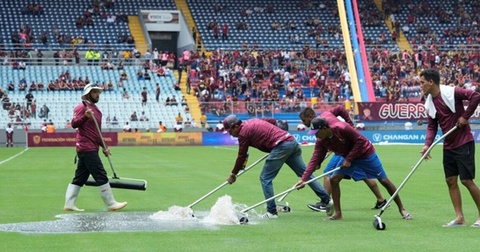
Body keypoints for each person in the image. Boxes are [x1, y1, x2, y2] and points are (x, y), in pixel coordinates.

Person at [297, 116, 412, 221]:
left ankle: (402, 209)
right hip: (348, 157)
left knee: (384, 180)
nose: (316, 136)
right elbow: (314, 159)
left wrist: (349, 159)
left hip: (366, 154)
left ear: (324, 128)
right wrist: (304, 179)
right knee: (334, 179)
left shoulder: (342, 128)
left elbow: (360, 141)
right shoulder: (321, 141)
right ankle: (338, 214)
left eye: (317, 133)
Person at [223, 114, 332, 218]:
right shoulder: (252, 121)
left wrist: (233, 174)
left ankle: (271, 211)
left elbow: (241, 156)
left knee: (265, 178)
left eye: (230, 131)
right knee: (305, 173)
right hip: (290, 141)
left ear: (236, 126)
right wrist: (273, 138)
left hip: (281, 145)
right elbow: (273, 121)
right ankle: (327, 200)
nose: (230, 134)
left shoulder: (243, 133)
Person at [419, 69, 480, 227]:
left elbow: (475, 96)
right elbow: (432, 126)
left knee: (466, 180)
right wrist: (427, 145)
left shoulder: (451, 92)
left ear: (431, 82)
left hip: (463, 141)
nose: (421, 86)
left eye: (422, 82)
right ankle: (459, 218)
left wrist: (465, 117)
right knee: (450, 180)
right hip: (449, 145)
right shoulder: (430, 102)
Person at [299, 107, 387, 212]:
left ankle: (325, 202)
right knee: (362, 174)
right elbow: (319, 151)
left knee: (329, 173)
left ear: (310, 117)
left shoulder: (327, 125)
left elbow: (341, 111)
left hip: (347, 151)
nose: (303, 123)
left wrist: (350, 124)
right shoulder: (323, 120)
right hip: (348, 151)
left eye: (304, 120)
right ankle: (381, 200)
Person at [64, 83, 127, 212]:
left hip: (92, 146)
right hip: (85, 147)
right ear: (88, 93)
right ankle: (111, 204)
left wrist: (104, 146)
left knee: (80, 177)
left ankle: (69, 204)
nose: (97, 95)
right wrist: (84, 116)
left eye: (98, 92)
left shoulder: (97, 111)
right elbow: (74, 124)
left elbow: (97, 132)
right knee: (100, 174)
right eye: (94, 92)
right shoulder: (82, 107)